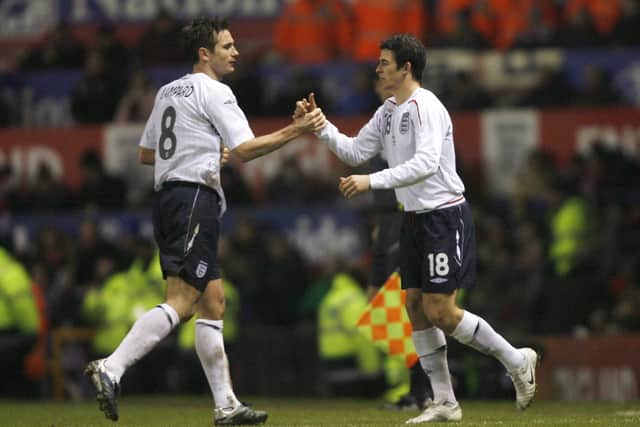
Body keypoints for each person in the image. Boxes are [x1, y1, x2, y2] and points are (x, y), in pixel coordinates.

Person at [84, 17, 325, 426]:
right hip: (194, 197)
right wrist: (297, 129)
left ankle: (226, 405)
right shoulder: (216, 91)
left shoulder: (168, 90)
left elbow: (146, 153)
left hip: (169, 198)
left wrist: (204, 150)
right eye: (227, 46)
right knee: (183, 300)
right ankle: (112, 367)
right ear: (204, 53)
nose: (235, 52)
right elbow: (246, 150)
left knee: (212, 301)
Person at [297, 34, 538, 423]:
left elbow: (426, 163)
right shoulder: (388, 111)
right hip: (413, 218)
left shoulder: (427, 107)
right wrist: (320, 125)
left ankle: (516, 360)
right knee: (414, 306)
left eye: (384, 62)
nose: (377, 69)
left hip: (444, 216)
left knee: (441, 309)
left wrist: (370, 182)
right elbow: (356, 151)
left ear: (406, 67)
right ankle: (445, 401)